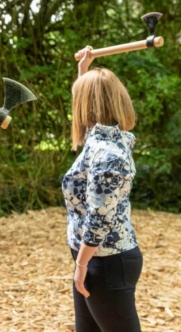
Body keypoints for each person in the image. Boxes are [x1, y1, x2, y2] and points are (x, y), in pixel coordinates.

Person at [62, 46, 143, 331]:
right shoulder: (101, 140)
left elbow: (100, 219)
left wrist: (82, 266)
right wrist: (85, 68)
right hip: (92, 257)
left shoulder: (109, 155)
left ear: (90, 105)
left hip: (107, 261)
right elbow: (85, 122)